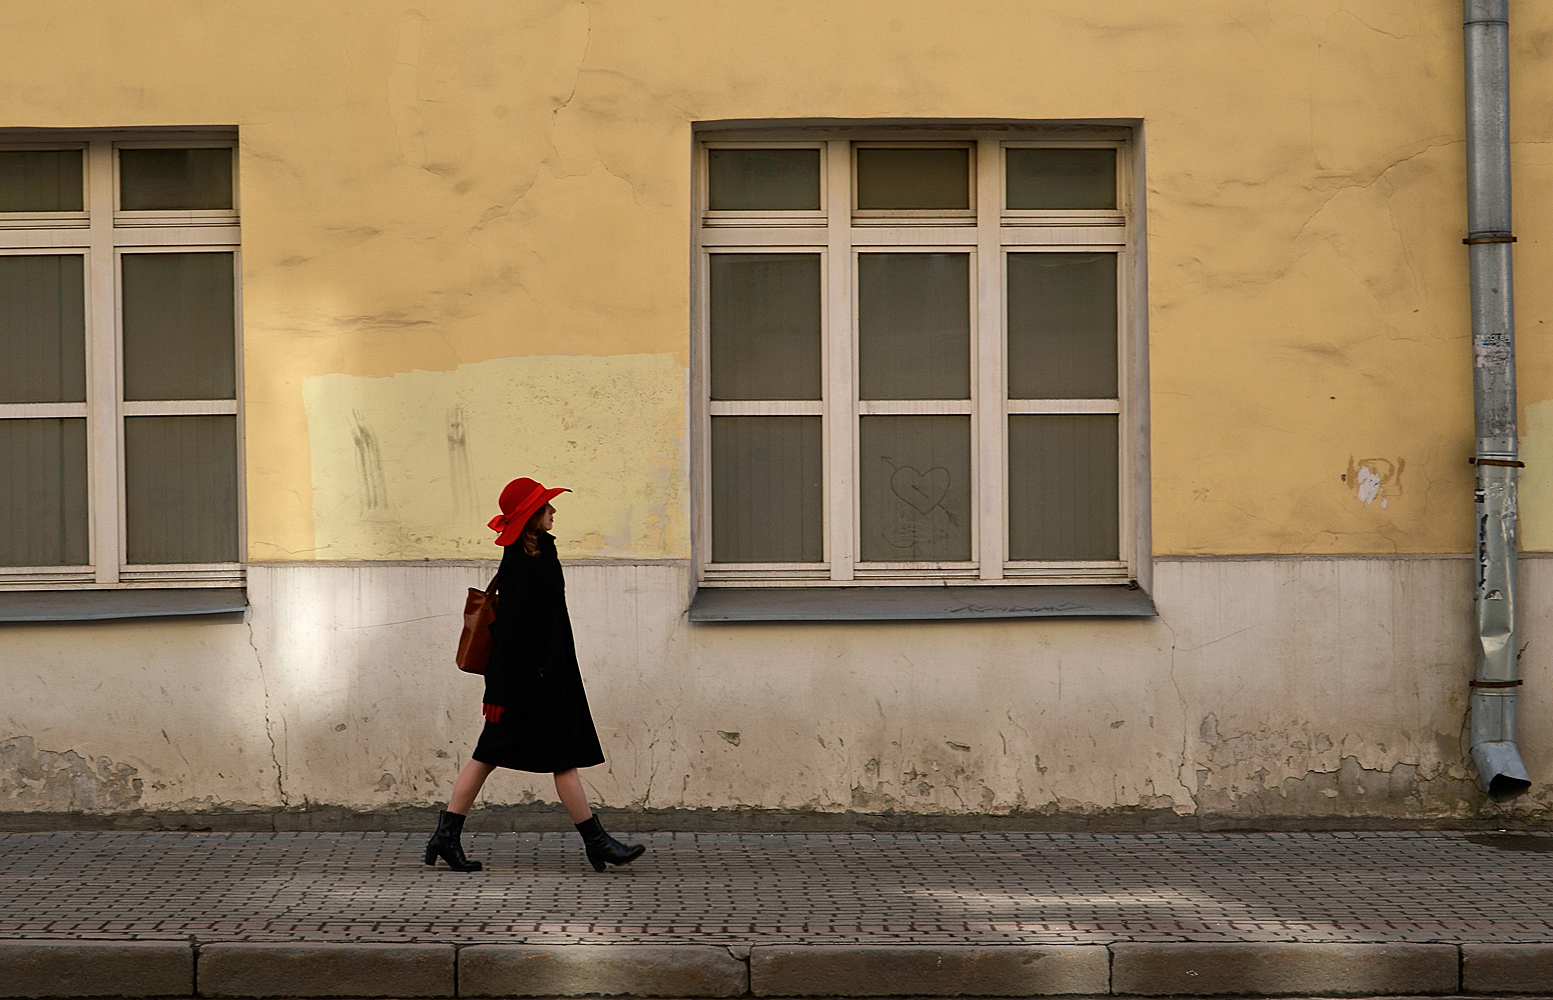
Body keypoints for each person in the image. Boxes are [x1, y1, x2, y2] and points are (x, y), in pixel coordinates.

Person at [424, 477, 646, 873]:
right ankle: (596, 843)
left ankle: (447, 836)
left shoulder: (542, 550)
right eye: (547, 507)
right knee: (501, 755)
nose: (554, 512)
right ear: (531, 517)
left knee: (537, 757)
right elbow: (507, 635)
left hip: (549, 677)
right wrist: (496, 693)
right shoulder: (520, 566)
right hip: (527, 685)